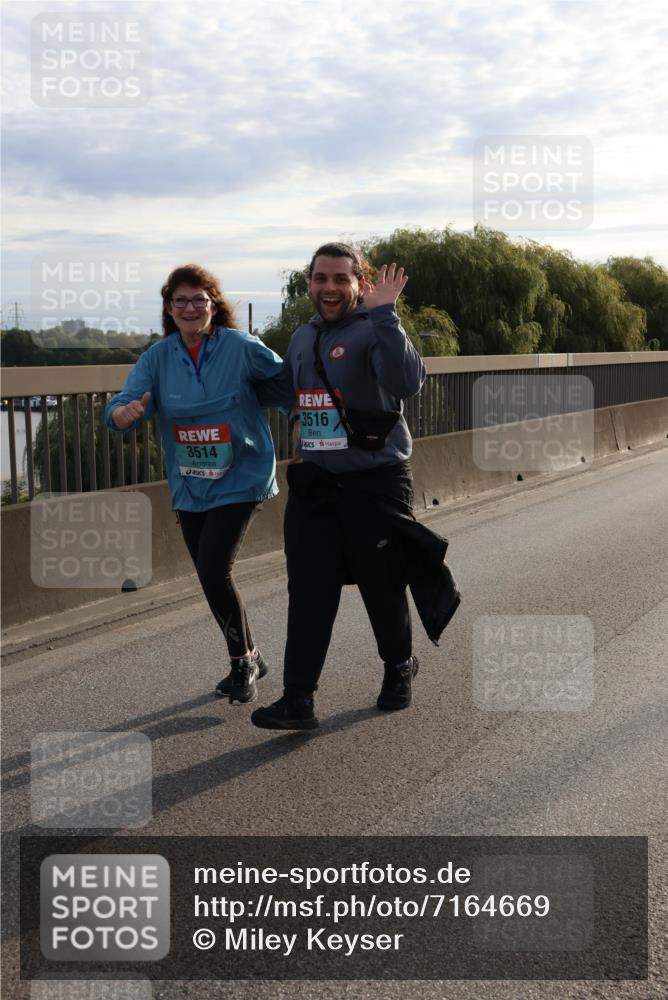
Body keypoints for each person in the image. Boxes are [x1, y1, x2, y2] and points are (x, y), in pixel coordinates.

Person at [250, 242, 460, 732]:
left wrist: (386, 314)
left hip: (375, 480)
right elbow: (298, 393)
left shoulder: (375, 328)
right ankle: (298, 698)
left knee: (381, 583)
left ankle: (399, 668)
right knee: (308, 588)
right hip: (317, 482)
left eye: (340, 279)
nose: (329, 288)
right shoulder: (301, 337)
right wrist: (305, 428)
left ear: (359, 284)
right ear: (310, 284)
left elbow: (408, 382)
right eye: (320, 278)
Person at [105, 264, 284, 706]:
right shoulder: (157, 358)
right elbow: (126, 402)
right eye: (180, 301)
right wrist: (120, 414)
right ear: (169, 308)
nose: (190, 308)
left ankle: (241, 662)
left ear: (213, 304)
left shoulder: (241, 347)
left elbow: (289, 382)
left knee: (213, 569)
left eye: (199, 299)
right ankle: (252, 654)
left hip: (242, 476)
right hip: (190, 483)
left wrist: (312, 416)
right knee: (211, 576)